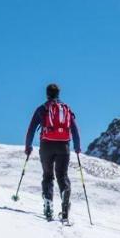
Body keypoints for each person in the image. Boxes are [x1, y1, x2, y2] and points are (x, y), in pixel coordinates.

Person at [25, 83, 81, 222]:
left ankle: (48, 203)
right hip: (64, 146)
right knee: (62, 175)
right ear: (58, 94)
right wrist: (77, 147)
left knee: (48, 176)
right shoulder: (66, 109)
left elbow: (31, 128)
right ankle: (65, 198)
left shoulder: (42, 109)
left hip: (46, 146)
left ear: (47, 94)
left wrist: (28, 146)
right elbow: (74, 129)